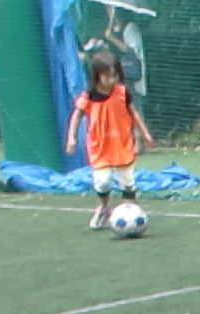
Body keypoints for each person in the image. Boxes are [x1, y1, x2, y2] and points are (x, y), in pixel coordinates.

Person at [65, 48, 155, 230]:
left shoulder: (122, 92)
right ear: (97, 75)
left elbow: (133, 112)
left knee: (128, 181)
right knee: (103, 181)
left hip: (122, 144)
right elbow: (77, 115)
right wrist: (71, 138)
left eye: (115, 75)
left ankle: (130, 210)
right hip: (100, 147)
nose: (111, 80)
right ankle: (104, 208)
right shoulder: (88, 97)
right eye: (107, 76)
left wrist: (145, 133)